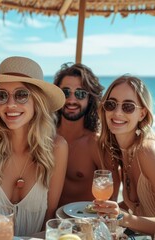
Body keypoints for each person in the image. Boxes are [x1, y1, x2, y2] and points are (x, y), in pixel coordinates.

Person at [0, 56, 68, 239]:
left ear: (37, 101)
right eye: (2, 96)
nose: (10, 104)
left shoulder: (57, 149)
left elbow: (50, 220)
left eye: (21, 95)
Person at [94, 75, 155, 237]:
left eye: (128, 107)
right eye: (111, 104)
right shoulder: (121, 151)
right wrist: (104, 210)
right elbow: (139, 206)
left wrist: (124, 218)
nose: (117, 112)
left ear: (142, 114)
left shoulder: (149, 151)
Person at [53, 63, 111, 206]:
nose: (72, 100)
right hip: (46, 224)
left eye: (80, 93)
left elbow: (111, 200)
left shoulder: (97, 144)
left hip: (81, 224)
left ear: (89, 99)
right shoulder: (44, 137)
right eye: (65, 93)